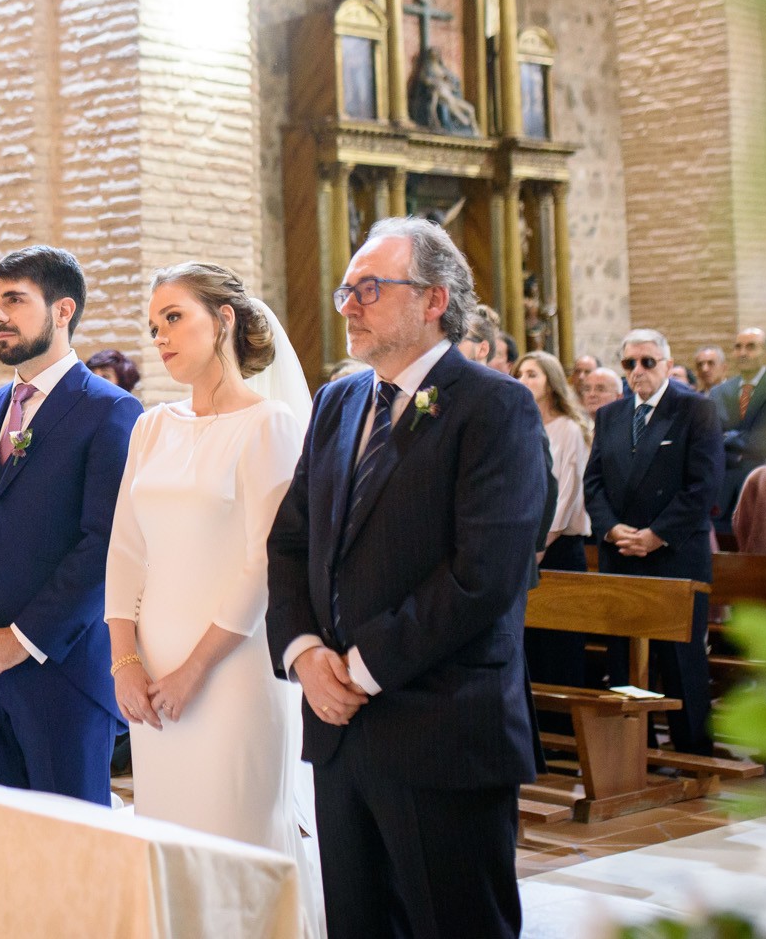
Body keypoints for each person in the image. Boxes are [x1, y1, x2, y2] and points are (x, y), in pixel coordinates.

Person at [267, 217, 545, 938]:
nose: (349, 304)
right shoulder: (337, 403)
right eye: (346, 290)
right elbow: (291, 540)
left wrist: (359, 667)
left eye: (370, 287)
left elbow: (482, 577)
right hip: (340, 733)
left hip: (443, 727)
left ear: (432, 300)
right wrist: (304, 654)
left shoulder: (495, 406)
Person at [103, 264, 312, 861]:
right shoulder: (151, 428)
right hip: (149, 670)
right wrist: (125, 663)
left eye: (174, 318)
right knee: (171, 844)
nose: (161, 336)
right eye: (154, 326)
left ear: (223, 320)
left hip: (235, 670)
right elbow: (126, 550)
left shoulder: (269, 424)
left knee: (236, 845)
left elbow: (264, 564)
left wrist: (194, 670)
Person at [0, 247, 142, 802]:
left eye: (16, 300)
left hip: (63, 675)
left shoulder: (110, 411)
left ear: (63, 310)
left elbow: (104, 545)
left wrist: (22, 640)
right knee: (0, 848)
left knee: (72, 859)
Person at [583, 329, 724, 755]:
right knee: (623, 656)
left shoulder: (695, 410)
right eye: (629, 363)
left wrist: (656, 535)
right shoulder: (611, 415)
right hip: (621, 551)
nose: (638, 371)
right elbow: (594, 483)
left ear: (665, 363)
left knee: (680, 659)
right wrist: (611, 528)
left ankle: (692, 751)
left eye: (647, 362)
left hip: (675, 553)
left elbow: (704, 487)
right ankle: (633, 751)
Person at [516, 351, 592, 692]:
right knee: (531, 645)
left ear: (551, 382)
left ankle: (567, 736)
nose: (524, 381)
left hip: (559, 548)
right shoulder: (521, 426)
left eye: (532, 374)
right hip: (528, 546)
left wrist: (541, 545)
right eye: (520, 374)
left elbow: (566, 493)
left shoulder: (568, 428)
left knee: (560, 646)